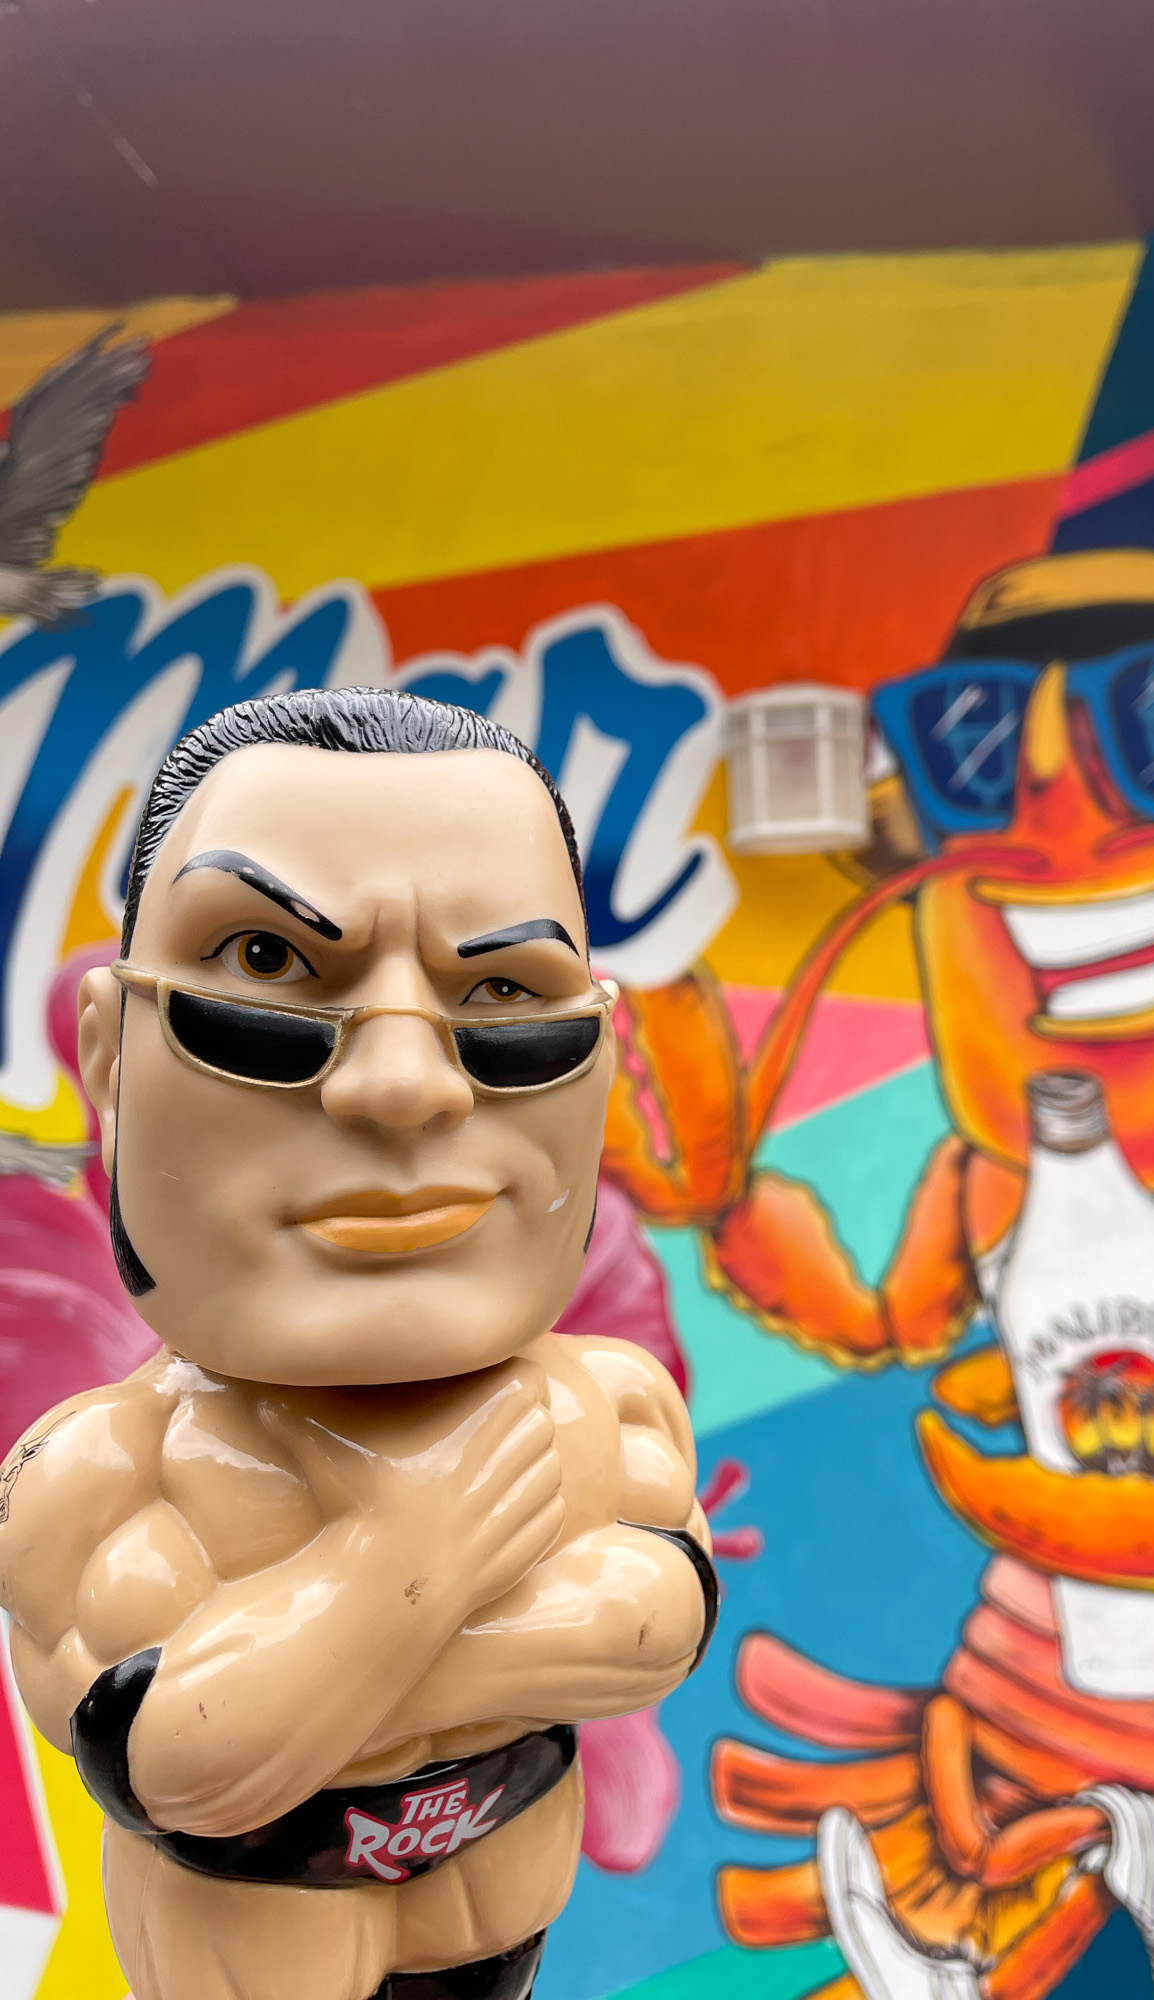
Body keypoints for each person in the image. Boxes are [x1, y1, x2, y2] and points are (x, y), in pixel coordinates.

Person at [0, 686, 716, 2000]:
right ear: (109, 1058)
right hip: (255, 1927)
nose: (401, 1084)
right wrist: (415, 1568)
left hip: (502, 1880)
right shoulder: (101, 1468)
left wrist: (342, 1664)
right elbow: (169, 1762)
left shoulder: (607, 1399)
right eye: (266, 964)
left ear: (598, 1059)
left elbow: (652, 1628)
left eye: (500, 991)